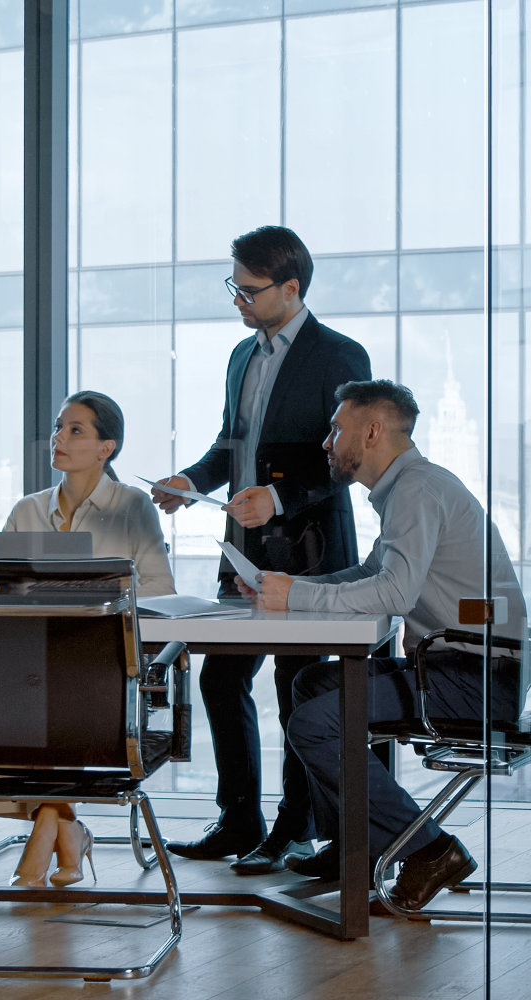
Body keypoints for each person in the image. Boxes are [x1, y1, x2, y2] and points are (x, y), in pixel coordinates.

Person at [250, 380, 527, 910]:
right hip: (455, 667)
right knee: (314, 682)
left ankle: (429, 849)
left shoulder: (417, 490)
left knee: (314, 723)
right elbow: (373, 573)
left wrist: (299, 594)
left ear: (372, 431)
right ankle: (352, 846)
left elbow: (394, 592)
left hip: (478, 679)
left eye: (337, 428)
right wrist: (285, 589)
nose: (327, 442)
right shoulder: (411, 488)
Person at [152, 226, 371, 875]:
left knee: (296, 683)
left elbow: (347, 459)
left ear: (292, 287)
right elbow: (230, 443)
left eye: (248, 290)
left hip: (307, 547)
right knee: (222, 676)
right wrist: (191, 481)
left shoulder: (339, 355)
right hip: (243, 547)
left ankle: (294, 829)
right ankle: (239, 817)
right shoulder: (241, 357)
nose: (238, 300)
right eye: (235, 287)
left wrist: (278, 499)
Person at [2, 390, 175, 887]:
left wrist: (103, 599)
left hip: (104, 669)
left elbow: (161, 588)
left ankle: (50, 829)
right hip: (35, 663)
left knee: (45, 700)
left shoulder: (132, 508)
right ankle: (62, 827)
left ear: (107, 447)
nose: (59, 438)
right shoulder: (27, 511)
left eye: (76, 430)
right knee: (20, 694)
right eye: (59, 427)